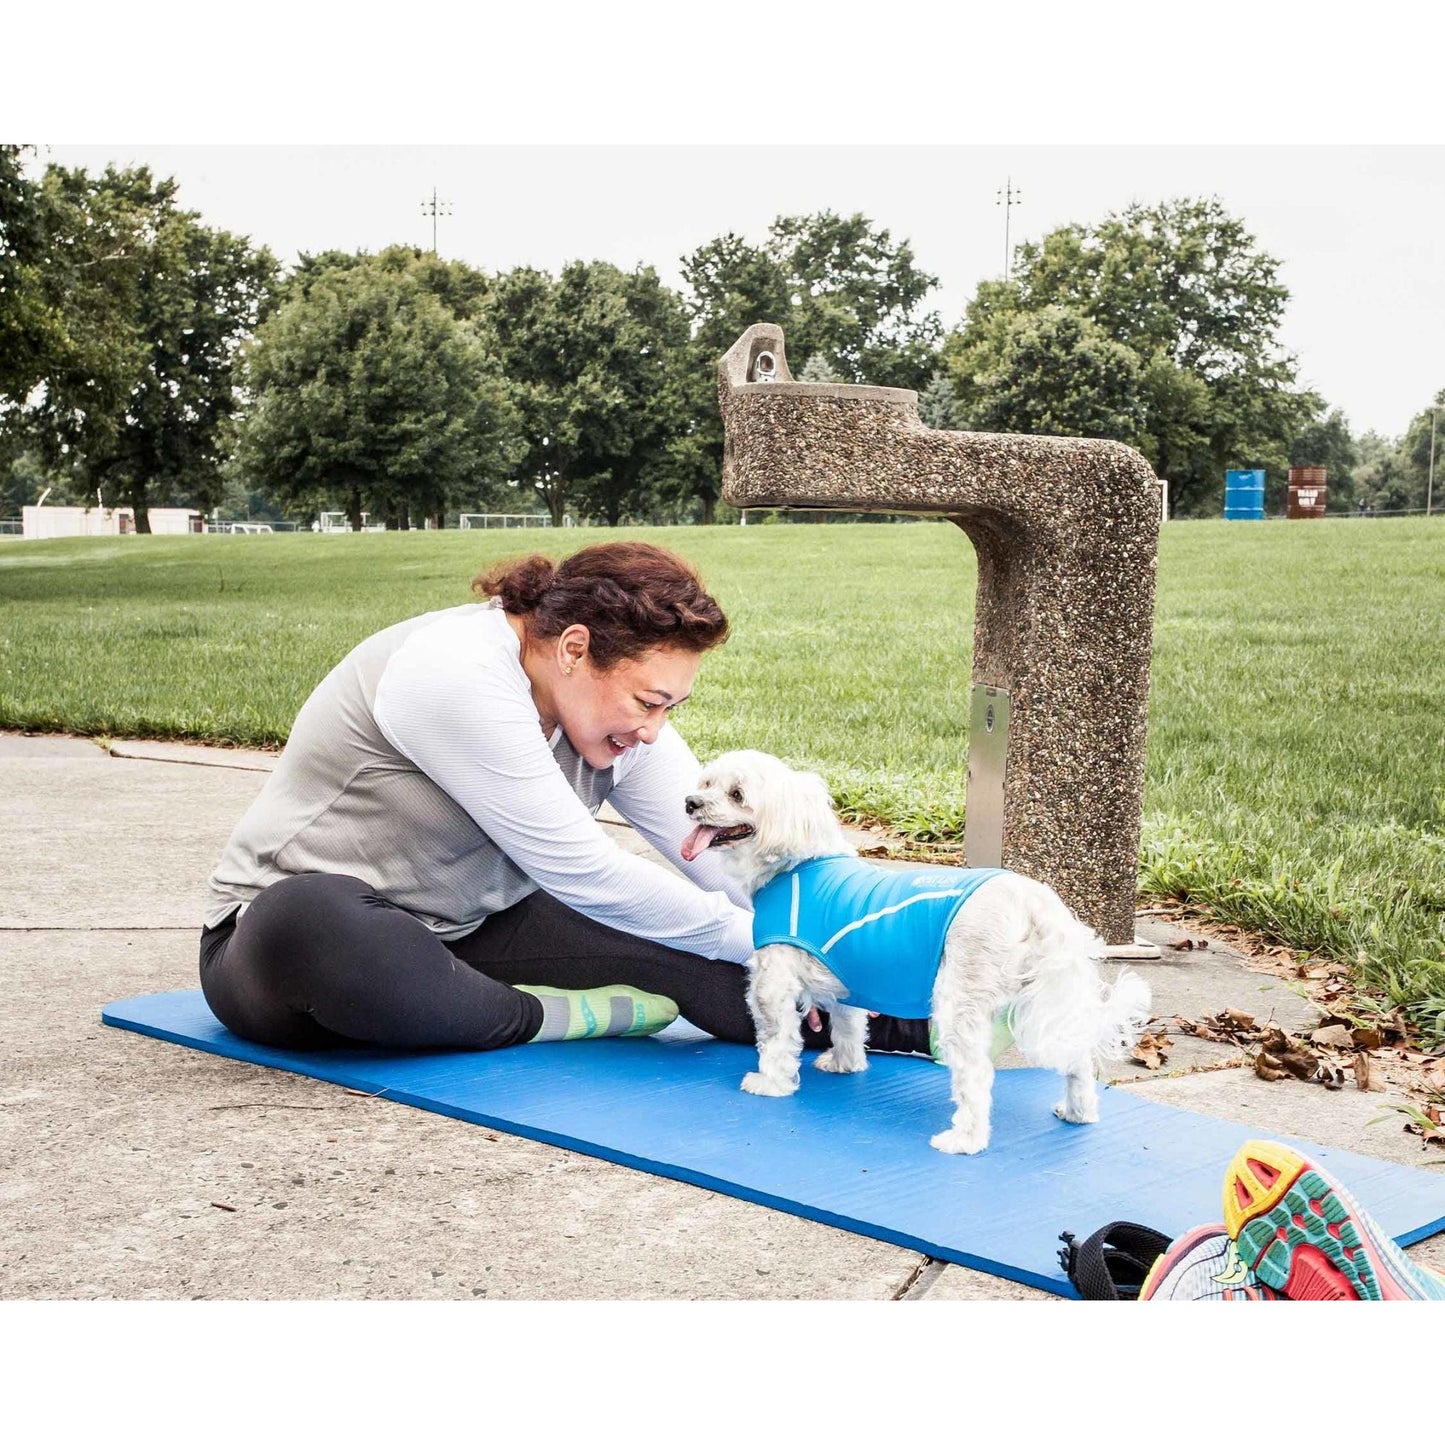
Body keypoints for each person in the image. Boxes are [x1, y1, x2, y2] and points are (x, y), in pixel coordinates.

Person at [200, 540, 931, 1058]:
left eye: (671, 708)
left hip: (475, 928)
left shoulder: (616, 724)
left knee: (727, 967)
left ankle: (910, 1021)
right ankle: (558, 1016)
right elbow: (584, 871)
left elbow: (726, 866)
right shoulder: (454, 673)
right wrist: (758, 936)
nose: (654, 730)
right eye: (648, 700)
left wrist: (822, 937)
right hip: (283, 949)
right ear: (574, 649)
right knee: (315, 918)